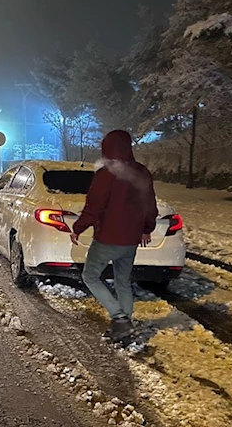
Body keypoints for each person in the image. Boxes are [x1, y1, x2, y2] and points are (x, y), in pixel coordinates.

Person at [70, 130, 158, 342]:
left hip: (108, 238)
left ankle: (119, 319)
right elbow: (150, 205)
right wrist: (147, 228)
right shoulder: (142, 172)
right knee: (123, 281)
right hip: (131, 240)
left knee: (90, 276)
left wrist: (78, 227)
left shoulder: (106, 174)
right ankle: (125, 326)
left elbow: (94, 207)